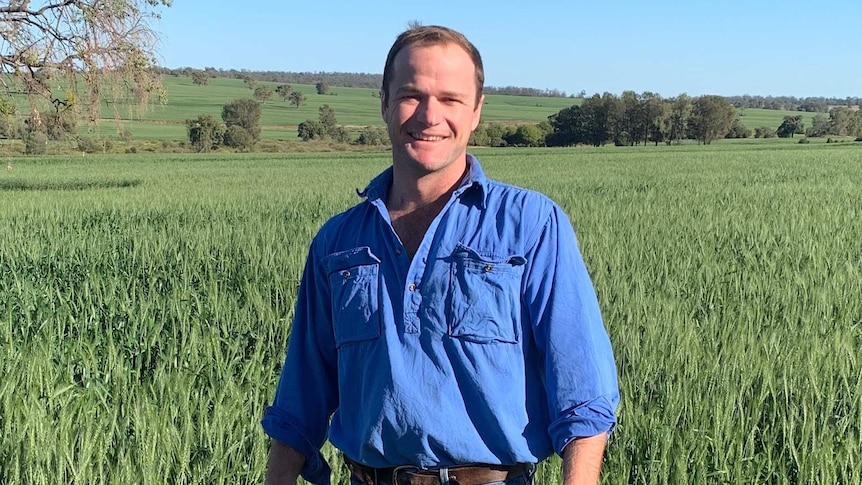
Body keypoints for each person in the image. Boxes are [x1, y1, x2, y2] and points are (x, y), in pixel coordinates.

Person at [262, 25, 619, 485]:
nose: (430, 116)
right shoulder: (338, 241)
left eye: (450, 99)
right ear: (385, 104)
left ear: (475, 112)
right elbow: (300, 398)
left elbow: (582, 393)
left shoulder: (532, 225)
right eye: (412, 94)